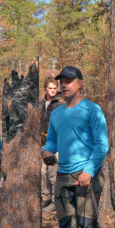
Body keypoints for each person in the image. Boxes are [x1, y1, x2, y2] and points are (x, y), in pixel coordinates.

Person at [42, 66, 109, 228]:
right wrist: (46, 152)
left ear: (80, 83)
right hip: (62, 176)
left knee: (89, 226)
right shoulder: (56, 113)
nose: (63, 85)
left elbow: (102, 144)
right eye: (61, 81)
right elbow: (51, 140)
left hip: (86, 176)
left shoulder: (92, 109)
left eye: (69, 81)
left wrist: (89, 170)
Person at [41, 77, 64, 212]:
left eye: (55, 88)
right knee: (41, 172)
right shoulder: (41, 103)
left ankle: (56, 201)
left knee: (52, 173)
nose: (53, 91)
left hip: (56, 143)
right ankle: (46, 198)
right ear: (46, 88)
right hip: (42, 142)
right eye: (50, 88)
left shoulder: (61, 104)